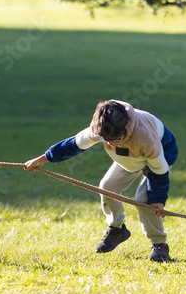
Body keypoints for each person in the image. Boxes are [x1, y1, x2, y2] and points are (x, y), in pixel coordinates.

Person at [24, 99, 177, 262]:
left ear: (125, 127)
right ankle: (117, 229)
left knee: (145, 200)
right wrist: (43, 158)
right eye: (106, 140)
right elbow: (72, 145)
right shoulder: (101, 127)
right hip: (128, 158)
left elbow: (159, 171)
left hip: (160, 156)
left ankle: (159, 245)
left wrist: (158, 199)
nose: (110, 142)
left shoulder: (145, 137)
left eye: (115, 139)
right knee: (107, 187)